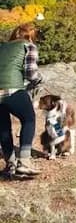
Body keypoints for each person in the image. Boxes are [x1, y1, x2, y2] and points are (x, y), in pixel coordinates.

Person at [0, 23, 43, 177]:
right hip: (13, 90)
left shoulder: (2, 47)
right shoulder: (28, 46)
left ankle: (10, 164)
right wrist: (40, 80)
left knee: (3, 127)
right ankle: (24, 162)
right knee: (28, 118)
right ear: (31, 37)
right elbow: (31, 74)